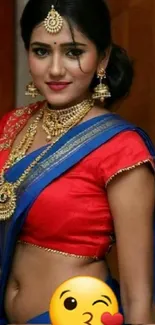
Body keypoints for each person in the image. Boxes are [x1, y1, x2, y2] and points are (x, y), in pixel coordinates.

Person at [0, 0, 155, 324]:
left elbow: (138, 294)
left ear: (103, 58)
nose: (55, 69)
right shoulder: (12, 125)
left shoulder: (121, 148)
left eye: (73, 52)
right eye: (41, 51)